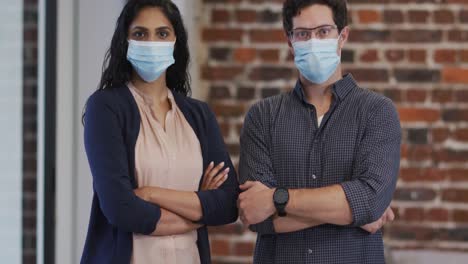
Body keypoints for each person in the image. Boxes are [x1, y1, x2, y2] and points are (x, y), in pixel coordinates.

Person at [238, 0, 401, 263]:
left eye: (324, 31)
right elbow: (256, 215)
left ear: (342, 36)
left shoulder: (377, 112)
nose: (313, 41)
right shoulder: (262, 117)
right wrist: (352, 215)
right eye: (303, 34)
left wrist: (276, 198)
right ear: (290, 42)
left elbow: (370, 201)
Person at [81, 1, 239, 263]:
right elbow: (121, 209)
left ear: (176, 40)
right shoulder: (105, 108)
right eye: (140, 33)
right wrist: (198, 206)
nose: (151, 42)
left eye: (162, 33)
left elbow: (227, 204)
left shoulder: (198, 115)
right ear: (126, 41)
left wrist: (150, 194)